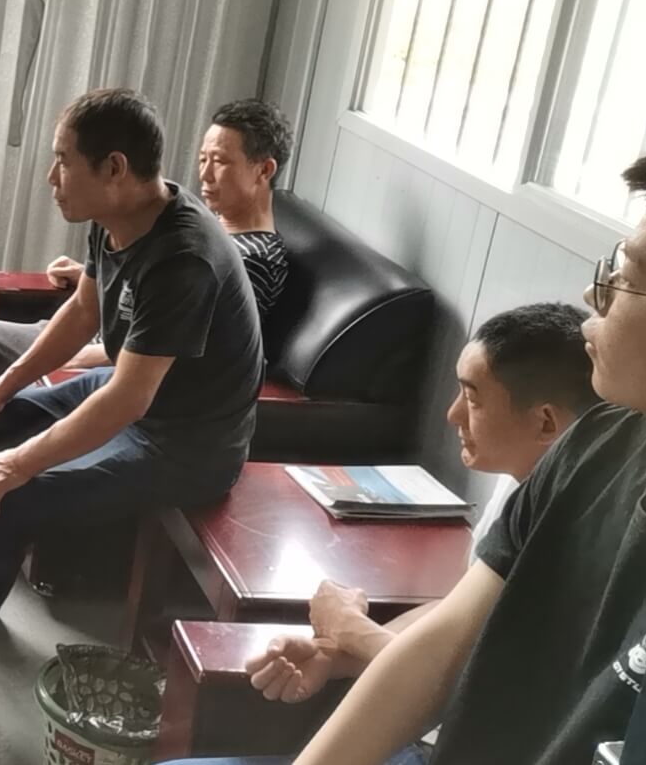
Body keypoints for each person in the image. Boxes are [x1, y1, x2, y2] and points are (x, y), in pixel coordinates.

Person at [168, 132, 646, 765]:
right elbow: (444, 647)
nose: (595, 297)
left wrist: (352, 635)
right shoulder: (593, 446)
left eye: (627, 281)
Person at [0, 88, 265, 694]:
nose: (51, 177)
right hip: (141, 398)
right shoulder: (116, 220)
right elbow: (81, 314)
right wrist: (1, 388)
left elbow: (128, 401)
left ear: (114, 168)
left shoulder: (182, 258)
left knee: (11, 489)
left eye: (63, 160)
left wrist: (22, 461)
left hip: (186, 443)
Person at [196, 303, 598, 765]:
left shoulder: (582, 541)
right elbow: (454, 617)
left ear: (545, 422)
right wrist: (335, 653)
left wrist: (353, 631)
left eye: (473, 399)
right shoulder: (518, 485)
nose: (451, 414)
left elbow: (484, 699)